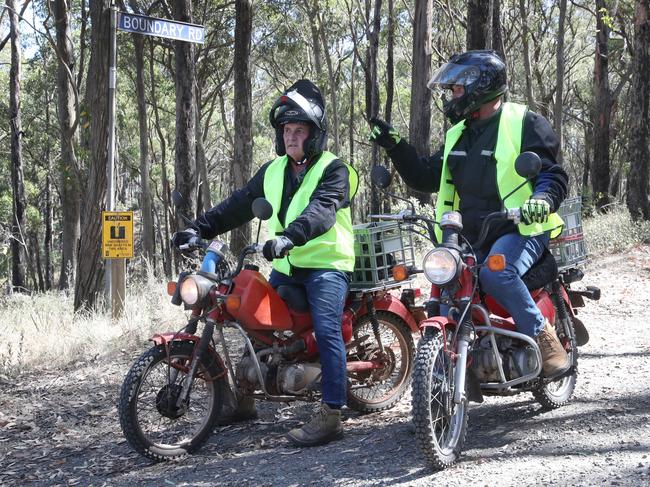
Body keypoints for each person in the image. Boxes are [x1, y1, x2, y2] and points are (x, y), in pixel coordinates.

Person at [172, 79, 358, 446]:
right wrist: (197, 228)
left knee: (327, 328)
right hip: (288, 268)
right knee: (249, 316)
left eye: (299, 130)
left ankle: (332, 412)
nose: (291, 137)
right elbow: (238, 203)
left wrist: (290, 236)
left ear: (314, 135)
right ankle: (244, 400)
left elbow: (322, 211)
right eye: (286, 130)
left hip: (327, 266)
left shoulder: (337, 170)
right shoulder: (273, 170)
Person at [369, 50, 570, 378]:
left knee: (495, 274)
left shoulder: (525, 123)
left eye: (458, 89)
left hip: (519, 227)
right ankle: (447, 369)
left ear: (481, 86)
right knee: (445, 278)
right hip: (468, 232)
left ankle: (542, 336)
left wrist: (543, 199)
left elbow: (551, 173)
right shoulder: (458, 134)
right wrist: (395, 145)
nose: (452, 96)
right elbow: (424, 176)